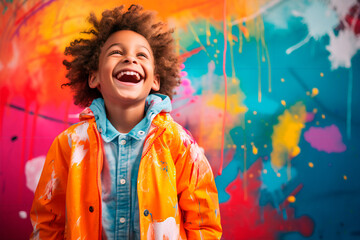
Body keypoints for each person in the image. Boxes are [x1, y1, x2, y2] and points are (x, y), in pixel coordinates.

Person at [30, 4, 222, 240]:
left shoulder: (180, 145)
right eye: (116, 52)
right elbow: (48, 222)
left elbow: (203, 224)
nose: (130, 58)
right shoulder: (68, 145)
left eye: (141, 54)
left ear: (155, 80)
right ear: (94, 77)